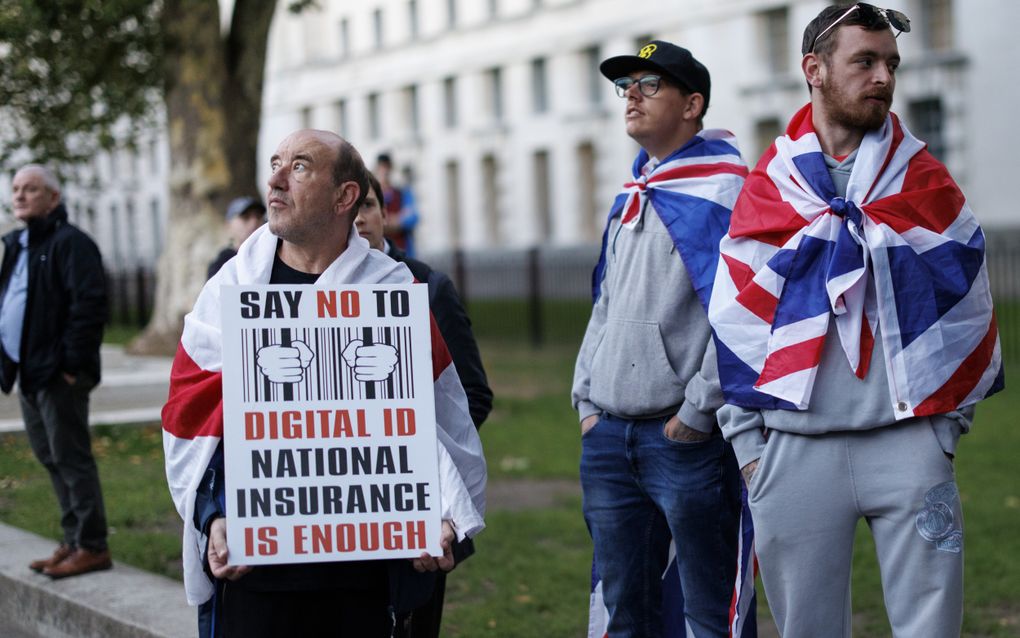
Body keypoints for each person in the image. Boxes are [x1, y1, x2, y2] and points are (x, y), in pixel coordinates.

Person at [708, 5, 1004, 637]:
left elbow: (966, 301)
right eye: (864, 61)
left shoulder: (923, 180)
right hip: (793, 451)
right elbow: (735, 321)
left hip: (909, 443)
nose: (883, 77)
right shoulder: (772, 185)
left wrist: (942, 432)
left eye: (891, 63)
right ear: (814, 70)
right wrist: (751, 450)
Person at [162, 129, 487, 637]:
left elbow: (440, 419)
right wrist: (214, 517)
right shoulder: (230, 292)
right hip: (258, 577)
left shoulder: (392, 291)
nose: (275, 180)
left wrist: (440, 512)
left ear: (344, 197)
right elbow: (193, 420)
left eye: (299, 167)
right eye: (275, 164)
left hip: (364, 581)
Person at [571, 41, 750, 637]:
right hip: (609, 436)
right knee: (625, 610)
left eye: (649, 85)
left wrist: (697, 411)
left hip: (685, 441)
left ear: (692, 105)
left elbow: (746, 309)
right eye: (626, 86)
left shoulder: (727, 192)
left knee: (708, 613)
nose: (632, 96)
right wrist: (586, 399)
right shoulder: (634, 190)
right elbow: (606, 301)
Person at [356, 173, 491, 637]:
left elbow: (471, 395)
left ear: (385, 213)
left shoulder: (426, 286)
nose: (357, 219)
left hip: (419, 505)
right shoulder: (310, 292)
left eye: (367, 205)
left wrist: (420, 461)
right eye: (346, 209)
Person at [0, 164, 111, 578]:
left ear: (53, 198)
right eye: (16, 188)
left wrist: (70, 365)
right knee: (50, 456)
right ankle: (73, 539)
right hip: (28, 372)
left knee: (71, 457)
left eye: (31, 189)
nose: (20, 195)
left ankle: (93, 546)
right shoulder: (17, 244)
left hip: (57, 374)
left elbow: (90, 307)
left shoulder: (71, 243)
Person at [206, 196, 266, 279]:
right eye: (246, 217)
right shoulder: (222, 264)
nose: (254, 222)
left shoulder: (273, 254)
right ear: (228, 225)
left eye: (258, 217)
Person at [376, 153, 419, 257]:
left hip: (403, 251)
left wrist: (396, 221)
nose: (384, 172)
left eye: (387, 167)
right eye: (381, 168)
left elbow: (413, 217)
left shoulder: (402, 193)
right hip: (381, 253)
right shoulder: (373, 195)